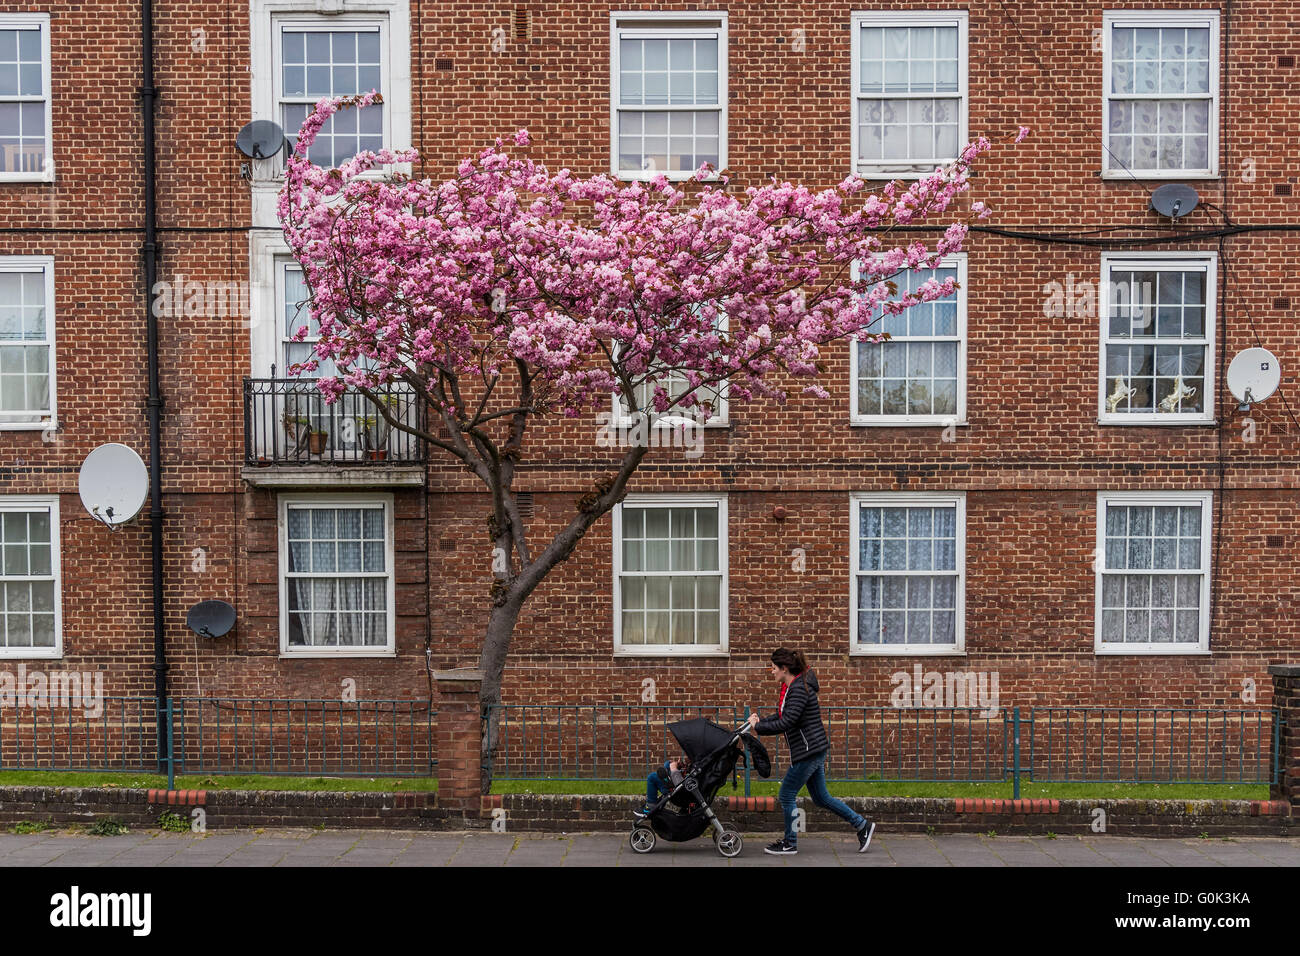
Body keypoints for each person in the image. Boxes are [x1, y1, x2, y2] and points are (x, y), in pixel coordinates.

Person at [745, 648, 875, 855]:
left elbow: (787, 722)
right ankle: (862, 825)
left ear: (784, 668)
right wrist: (761, 721)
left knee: (786, 795)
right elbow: (783, 715)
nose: (771, 672)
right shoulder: (793, 687)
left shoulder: (798, 689)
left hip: (808, 751)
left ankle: (790, 843)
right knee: (821, 798)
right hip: (813, 749)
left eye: (773, 668)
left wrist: (758, 728)